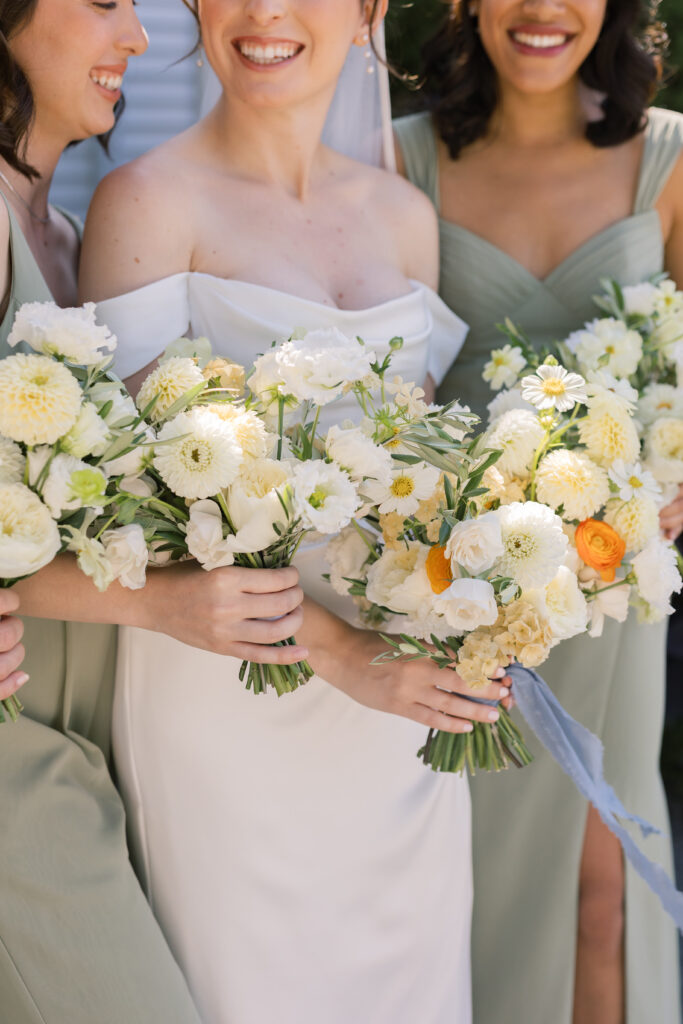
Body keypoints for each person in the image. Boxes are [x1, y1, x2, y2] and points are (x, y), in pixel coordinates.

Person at [79, 2, 512, 1021]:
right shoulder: (146, 201)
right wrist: (340, 654)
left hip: (396, 717)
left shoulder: (403, 217)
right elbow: (136, 511)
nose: (264, 14)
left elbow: (419, 478)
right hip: (231, 700)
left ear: (368, 11)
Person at [0, 3, 306, 1020]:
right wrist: (161, 606)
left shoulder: (68, 234)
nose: (135, 39)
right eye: (101, 6)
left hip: (92, 730)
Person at [395, 2, 683, 1023]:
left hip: (615, 582)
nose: (540, 9)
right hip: (467, 591)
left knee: (602, 895)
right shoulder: (402, 162)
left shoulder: (663, 158)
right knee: (485, 886)